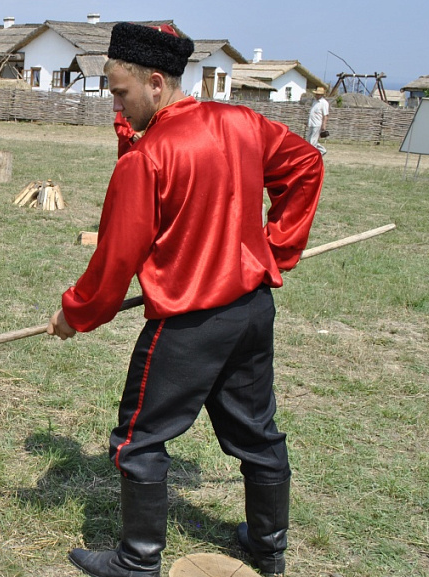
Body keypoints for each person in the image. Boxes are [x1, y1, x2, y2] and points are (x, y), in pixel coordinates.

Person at [46, 22, 324, 577]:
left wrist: (74, 314)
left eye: (120, 92)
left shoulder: (148, 159)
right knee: (256, 432)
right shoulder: (243, 123)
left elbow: (115, 261)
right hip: (250, 310)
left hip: (189, 325)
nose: (115, 104)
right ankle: (269, 550)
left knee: (137, 439)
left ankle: (136, 561)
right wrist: (274, 248)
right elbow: (306, 165)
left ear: (155, 82)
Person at [306, 86, 330, 155]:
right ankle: (322, 151)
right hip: (311, 123)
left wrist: (324, 125)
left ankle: (312, 156)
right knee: (309, 140)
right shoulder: (315, 102)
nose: (316, 95)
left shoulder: (324, 103)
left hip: (317, 124)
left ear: (321, 95)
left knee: (312, 142)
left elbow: (325, 115)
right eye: (316, 94)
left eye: (318, 94)